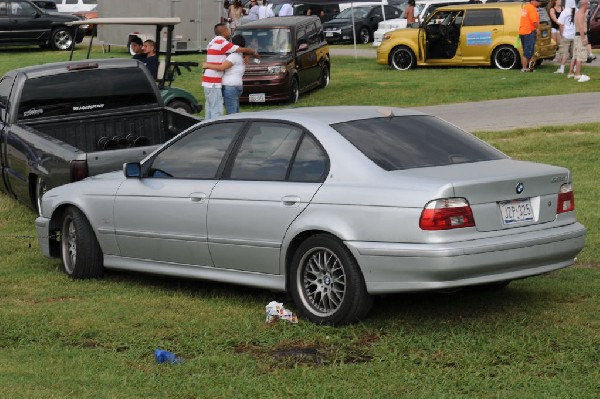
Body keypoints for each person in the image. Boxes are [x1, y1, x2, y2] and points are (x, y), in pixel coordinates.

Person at [202, 23, 259, 119]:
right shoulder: (223, 44)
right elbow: (242, 49)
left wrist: (208, 65)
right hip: (214, 82)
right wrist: (253, 52)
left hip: (208, 81)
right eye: (228, 30)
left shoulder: (213, 43)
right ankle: (214, 129)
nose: (229, 32)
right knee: (217, 110)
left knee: (210, 107)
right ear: (224, 31)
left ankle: (206, 127)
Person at [203, 35, 246, 115]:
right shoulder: (241, 56)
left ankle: (232, 126)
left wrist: (208, 65)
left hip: (230, 86)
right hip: (238, 85)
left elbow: (222, 67)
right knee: (235, 111)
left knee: (231, 113)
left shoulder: (232, 57)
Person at [519, 0, 541, 72]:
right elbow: (534, 21)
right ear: (533, 1)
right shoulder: (532, 9)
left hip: (523, 31)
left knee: (527, 50)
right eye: (537, 1)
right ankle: (525, 68)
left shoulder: (526, 7)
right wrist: (537, 29)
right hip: (529, 32)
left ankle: (529, 68)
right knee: (528, 51)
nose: (539, 2)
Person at [555, 0, 576, 75]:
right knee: (574, 53)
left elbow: (561, 24)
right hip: (574, 34)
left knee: (564, 53)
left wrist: (561, 33)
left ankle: (562, 68)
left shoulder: (565, 11)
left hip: (566, 35)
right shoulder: (576, 10)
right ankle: (575, 68)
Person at [572, 0, 591, 82]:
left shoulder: (580, 13)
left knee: (577, 55)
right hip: (580, 36)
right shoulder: (580, 14)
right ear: (584, 4)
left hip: (578, 36)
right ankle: (578, 74)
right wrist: (584, 39)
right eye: (588, 3)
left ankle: (576, 73)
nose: (589, 4)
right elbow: (581, 27)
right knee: (580, 56)